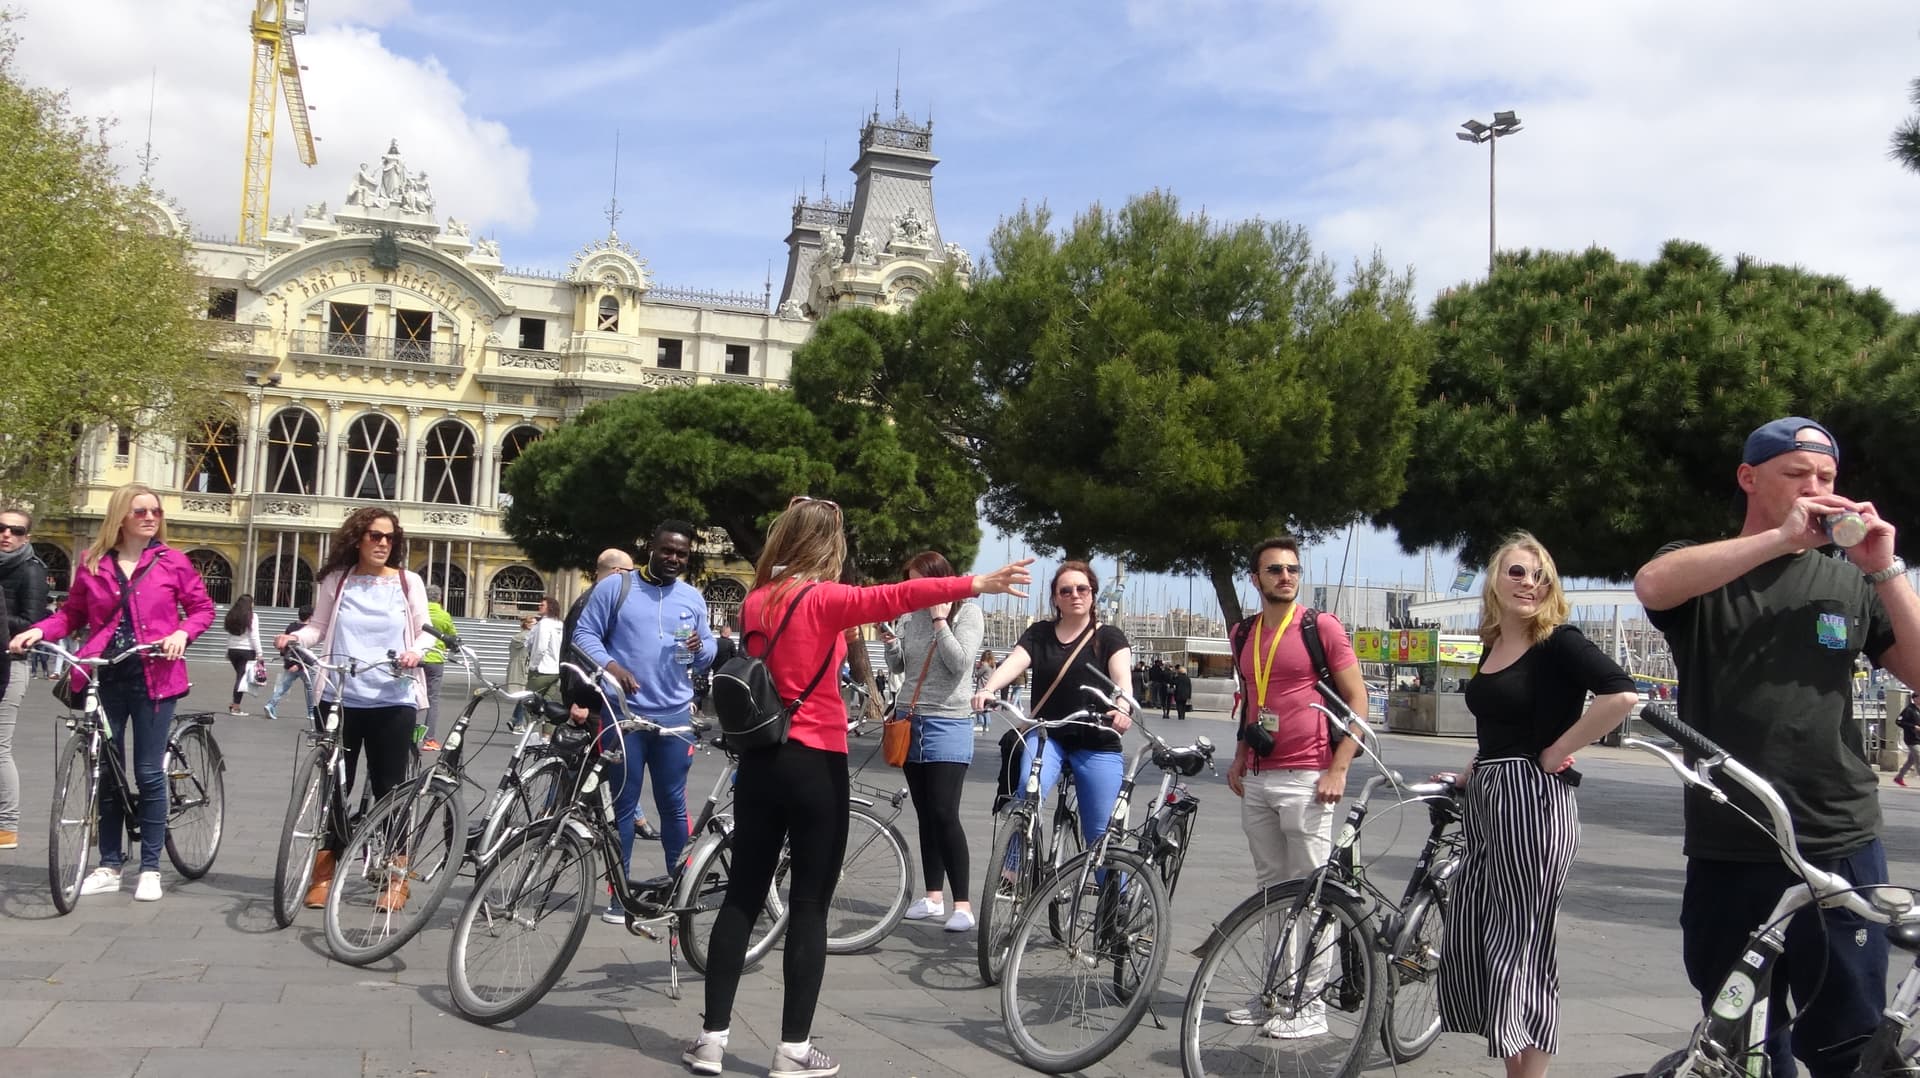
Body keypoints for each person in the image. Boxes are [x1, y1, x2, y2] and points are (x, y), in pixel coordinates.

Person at [682, 496, 1031, 1077]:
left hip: (761, 762)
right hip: (816, 765)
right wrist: (976, 583)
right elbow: (897, 596)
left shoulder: (756, 600)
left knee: (742, 897)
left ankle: (710, 1040)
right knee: (809, 906)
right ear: (830, 545)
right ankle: (793, 1051)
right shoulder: (827, 599)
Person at [1633, 416, 1920, 1078]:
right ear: (1749, 477)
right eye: (1796, 474)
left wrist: (1885, 569)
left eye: (1826, 476)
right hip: (1731, 836)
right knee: (1738, 1032)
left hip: (1837, 836)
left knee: (1848, 1035)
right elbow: (1653, 584)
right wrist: (1782, 538)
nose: (1815, 488)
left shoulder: (1852, 582)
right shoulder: (1705, 571)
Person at [1437, 533, 1636, 1078]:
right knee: (1479, 927)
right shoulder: (1494, 643)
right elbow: (1499, 729)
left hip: (1534, 801)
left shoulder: (1559, 641)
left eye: (1540, 575)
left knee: (1521, 940)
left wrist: (1557, 750)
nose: (1529, 583)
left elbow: (1621, 694)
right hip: (1488, 798)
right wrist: (1469, 772)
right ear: (1495, 581)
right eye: (1518, 572)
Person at [8, 484, 215, 901]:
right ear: (121, 516)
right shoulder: (93, 562)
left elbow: (202, 609)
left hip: (155, 673)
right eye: (140, 511)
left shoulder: (171, 561)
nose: (150, 517)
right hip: (104, 674)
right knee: (105, 772)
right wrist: (39, 630)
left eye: (155, 511)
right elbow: (72, 615)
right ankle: (109, 864)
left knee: (149, 772)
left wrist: (181, 633)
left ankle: (151, 868)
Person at [1221, 537, 1368, 1036]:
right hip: (1260, 776)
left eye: (1292, 569)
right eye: (1275, 569)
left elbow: (1358, 702)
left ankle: (1310, 1005)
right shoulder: (1243, 633)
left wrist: (1339, 768)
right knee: (1271, 893)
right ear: (1255, 578)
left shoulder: (1319, 627)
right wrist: (1240, 756)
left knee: (1313, 894)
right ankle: (1275, 994)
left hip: (1309, 775)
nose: (1286, 576)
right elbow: (1250, 698)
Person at [276, 507, 435, 910]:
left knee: (390, 787)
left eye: (389, 537)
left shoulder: (408, 582)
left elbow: (425, 633)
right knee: (334, 787)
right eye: (374, 536)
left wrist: (416, 652)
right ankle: (324, 873)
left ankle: (396, 876)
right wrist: (295, 638)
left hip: (392, 696)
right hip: (339, 694)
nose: (383, 543)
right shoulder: (337, 580)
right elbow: (318, 627)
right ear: (357, 538)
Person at [573, 525, 709, 923]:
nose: (674, 559)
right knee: (623, 805)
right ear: (651, 547)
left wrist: (702, 648)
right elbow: (583, 634)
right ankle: (620, 897)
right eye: (667, 550)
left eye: (681, 554)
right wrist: (613, 667)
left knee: (674, 804)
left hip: (674, 718)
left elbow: (706, 654)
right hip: (623, 714)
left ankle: (679, 890)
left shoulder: (692, 597)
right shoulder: (616, 588)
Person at [972, 561, 1136, 866]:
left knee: (1101, 834)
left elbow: (1122, 682)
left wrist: (1121, 708)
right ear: (1056, 598)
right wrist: (989, 689)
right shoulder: (1040, 634)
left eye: (1082, 589)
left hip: (1096, 740)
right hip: (1048, 735)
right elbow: (1014, 663)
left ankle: (1114, 891)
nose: (1075, 595)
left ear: (1092, 593)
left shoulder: (1110, 637)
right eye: (1066, 590)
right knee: (1027, 789)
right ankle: (1014, 870)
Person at [884, 551, 985, 933]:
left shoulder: (967, 612)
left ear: (940, 579)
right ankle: (932, 897)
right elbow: (899, 667)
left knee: (944, 813)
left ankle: (963, 905)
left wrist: (941, 620)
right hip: (910, 721)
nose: (914, 590)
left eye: (919, 582)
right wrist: (891, 642)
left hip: (948, 723)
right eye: (910, 583)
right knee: (925, 814)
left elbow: (959, 663)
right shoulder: (910, 616)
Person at [560, 546, 658, 902]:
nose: (633, 579)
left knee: (599, 775)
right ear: (616, 573)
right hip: (593, 702)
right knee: (606, 777)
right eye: (629, 572)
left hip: (598, 700)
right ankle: (568, 830)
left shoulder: (593, 598)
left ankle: (575, 825)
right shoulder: (596, 600)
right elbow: (577, 654)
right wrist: (578, 700)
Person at [0, 505, 49, 851]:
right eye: (2, 528)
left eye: (16, 530)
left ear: (26, 537)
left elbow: (32, 623)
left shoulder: (31, 570)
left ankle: (7, 825)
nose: (7, 534)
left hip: (11, 664)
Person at [417, 584, 458, 751]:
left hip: (416, 657)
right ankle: (429, 739)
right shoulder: (444, 615)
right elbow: (453, 637)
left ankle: (407, 734)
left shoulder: (418, 613)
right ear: (439, 598)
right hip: (435, 659)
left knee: (412, 697)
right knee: (432, 700)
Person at [263, 604, 315, 720]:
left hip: (290, 662)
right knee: (310, 688)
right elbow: (304, 648)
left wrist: (285, 658)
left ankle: (271, 704)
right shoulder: (308, 630)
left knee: (283, 686)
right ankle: (311, 712)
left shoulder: (291, 627)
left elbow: (284, 645)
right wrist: (299, 664)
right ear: (310, 616)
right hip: (304, 664)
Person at [222, 593, 263, 717]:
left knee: (240, 677)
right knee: (241, 679)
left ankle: (235, 704)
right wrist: (259, 653)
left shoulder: (232, 615)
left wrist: (227, 650)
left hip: (233, 650)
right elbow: (254, 636)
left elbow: (230, 635)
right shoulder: (252, 616)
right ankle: (235, 707)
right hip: (246, 650)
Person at [525, 596, 563, 705]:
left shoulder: (544, 624)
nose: (539, 606)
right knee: (546, 703)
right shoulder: (560, 624)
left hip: (542, 670)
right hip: (555, 671)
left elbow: (541, 647)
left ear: (550, 607)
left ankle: (519, 716)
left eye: (542, 605)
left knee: (527, 701)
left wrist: (534, 665)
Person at [506, 613, 535, 729]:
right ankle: (518, 723)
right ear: (528, 625)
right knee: (526, 697)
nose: (537, 626)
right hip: (523, 670)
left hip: (517, 669)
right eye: (534, 624)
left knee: (525, 696)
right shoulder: (528, 637)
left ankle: (514, 720)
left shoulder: (519, 637)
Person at [1895, 697, 1920, 786]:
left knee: (1911, 760)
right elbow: (1898, 721)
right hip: (1912, 739)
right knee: (1919, 758)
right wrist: (1913, 727)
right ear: (1915, 699)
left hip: (1919, 738)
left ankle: (1899, 777)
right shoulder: (1909, 710)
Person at [974, 648, 999, 732]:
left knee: (979, 706)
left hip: (981, 688)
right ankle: (986, 724)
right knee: (986, 707)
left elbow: (977, 674)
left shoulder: (985, 665)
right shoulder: (993, 666)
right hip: (989, 688)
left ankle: (980, 723)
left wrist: (977, 667)